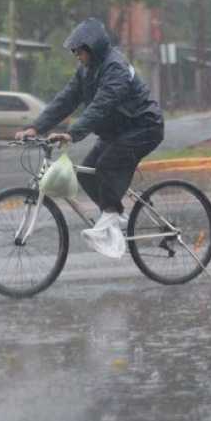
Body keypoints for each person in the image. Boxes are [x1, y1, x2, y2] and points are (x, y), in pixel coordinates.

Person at [15, 18, 164, 256]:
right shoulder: (86, 71)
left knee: (106, 165)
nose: (76, 55)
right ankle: (115, 215)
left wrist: (72, 134)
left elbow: (101, 106)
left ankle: (110, 217)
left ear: (93, 48)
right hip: (117, 131)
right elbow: (66, 99)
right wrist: (36, 127)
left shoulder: (115, 68)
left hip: (143, 127)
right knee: (86, 172)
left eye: (79, 51)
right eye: (74, 52)